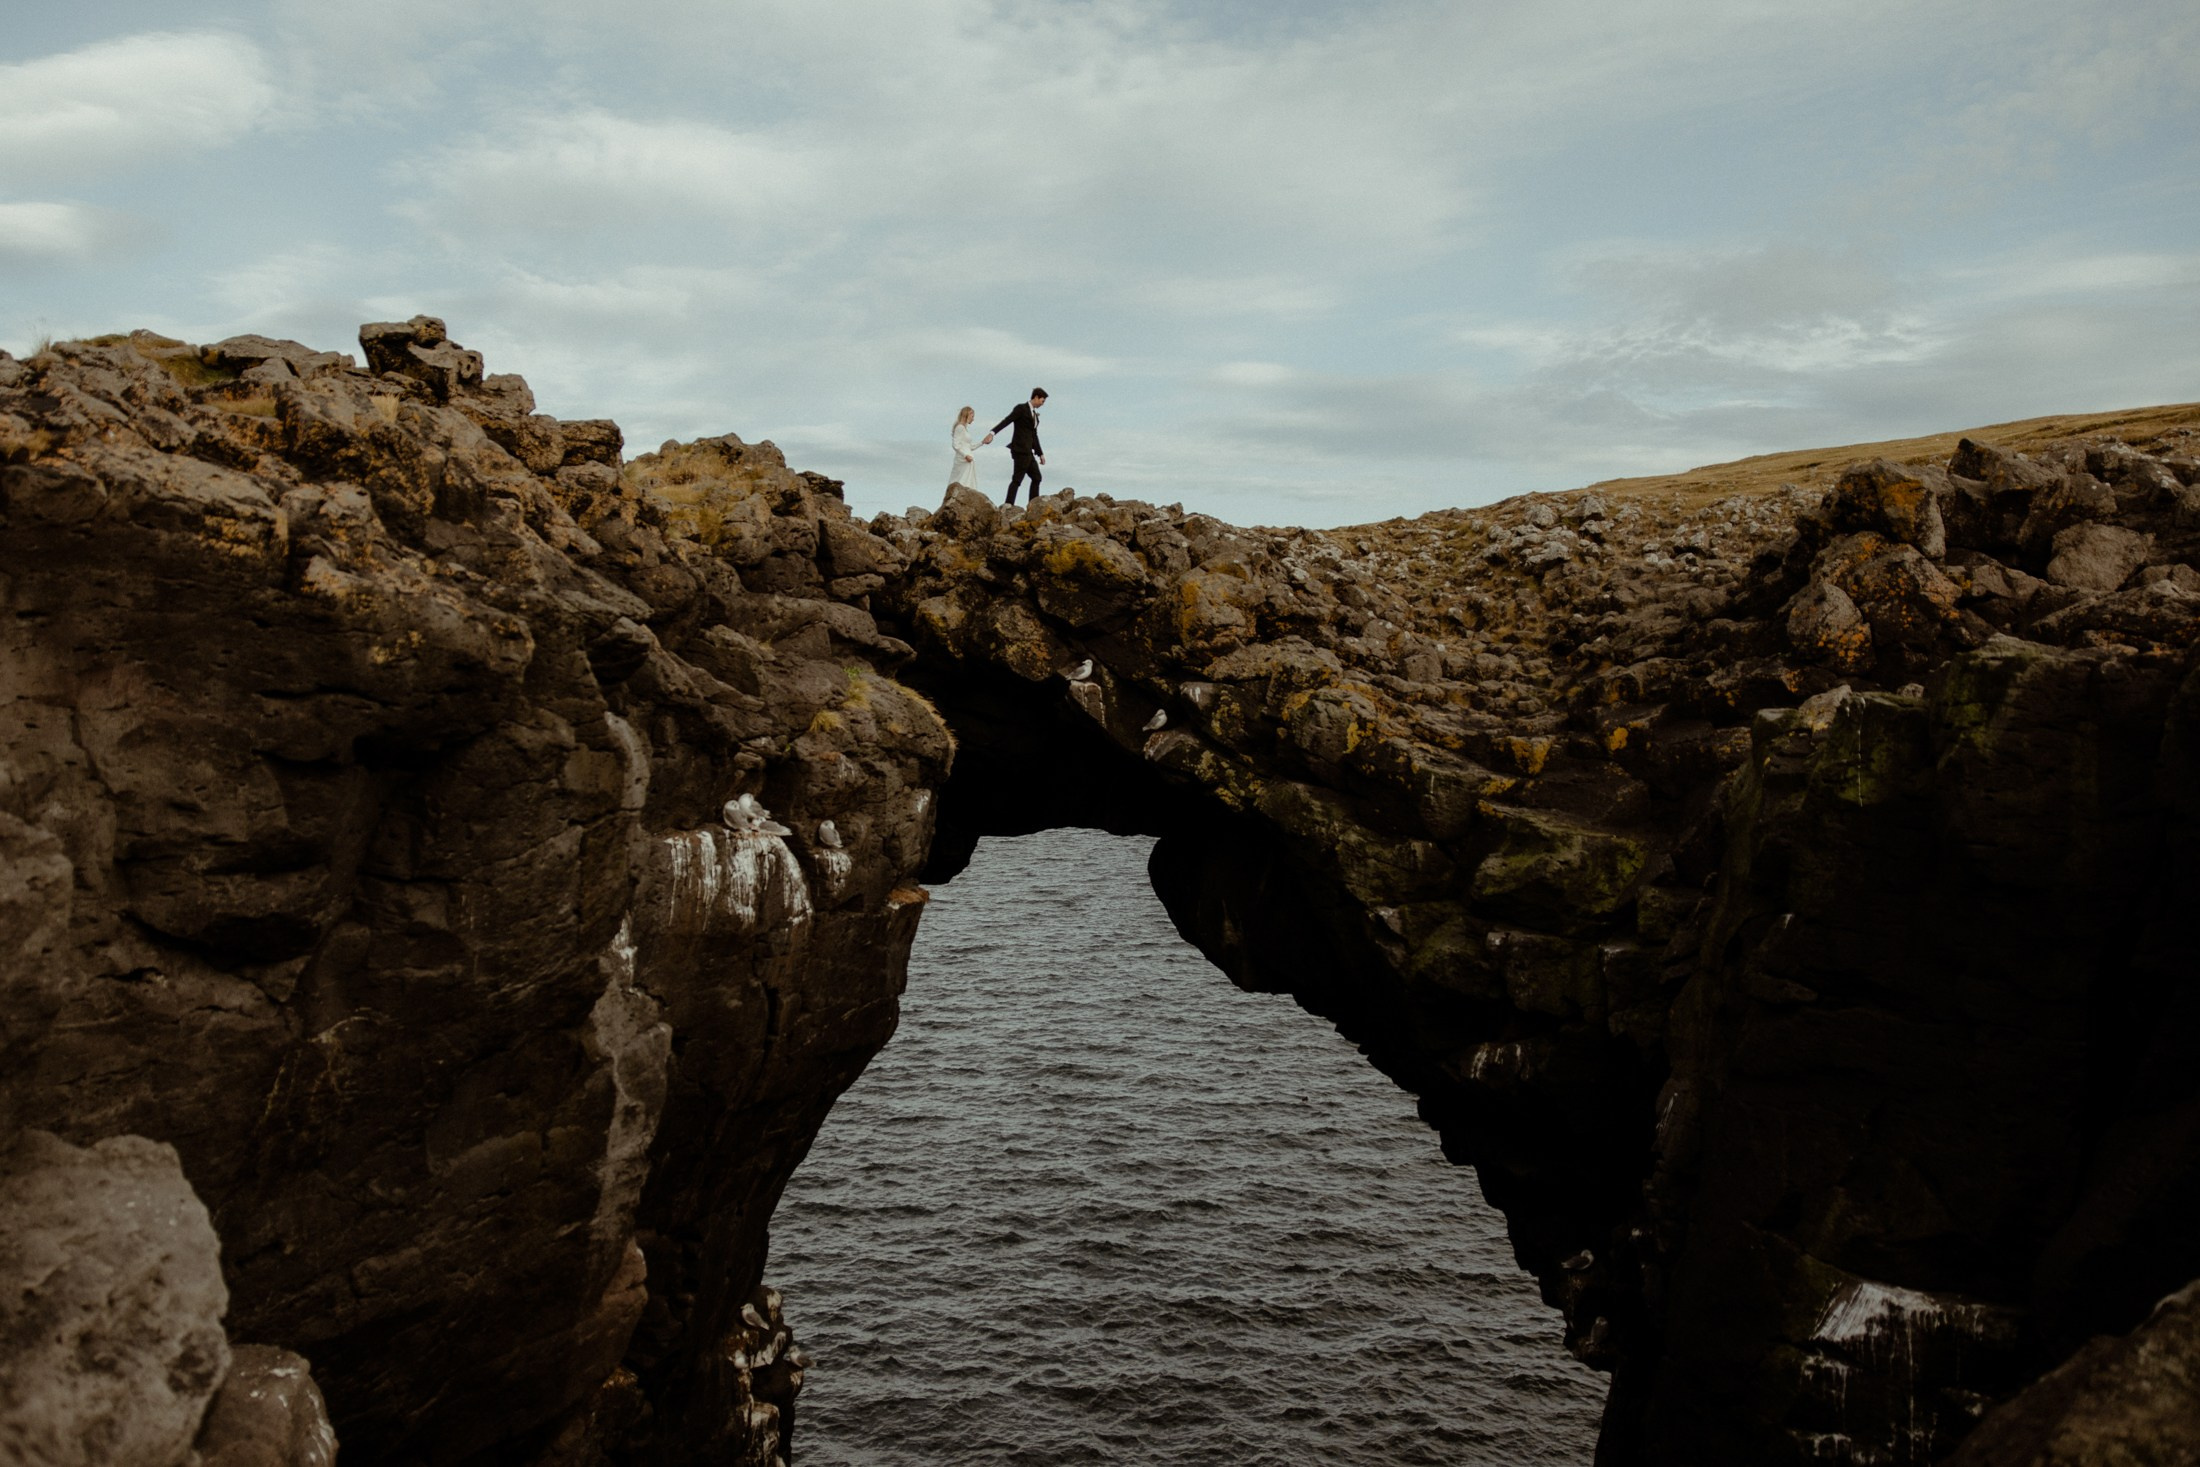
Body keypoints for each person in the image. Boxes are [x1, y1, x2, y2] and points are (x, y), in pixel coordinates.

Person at [982, 388, 1047, 504]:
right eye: (1042, 401)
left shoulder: (1035, 416)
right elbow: (1007, 420)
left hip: (1029, 452)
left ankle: (1033, 506)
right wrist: (992, 433)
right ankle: (1008, 506)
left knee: (1037, 477)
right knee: (1017, 480)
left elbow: (1034, 436)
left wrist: (1040, 453)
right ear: (1036, 397)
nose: (1043, 404)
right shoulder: (1021, 408)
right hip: (1020, 450)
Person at [949, 406, 982, 489]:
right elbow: (956, 445)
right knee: (962, 480)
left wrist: (982, 442)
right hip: (964, 459)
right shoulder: (960, 427)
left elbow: (969, 447)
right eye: (972, 416)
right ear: (967, 414)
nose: (973, 419)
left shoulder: (964, 429)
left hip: (968, 459)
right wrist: (965, 456)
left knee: (968, 482)